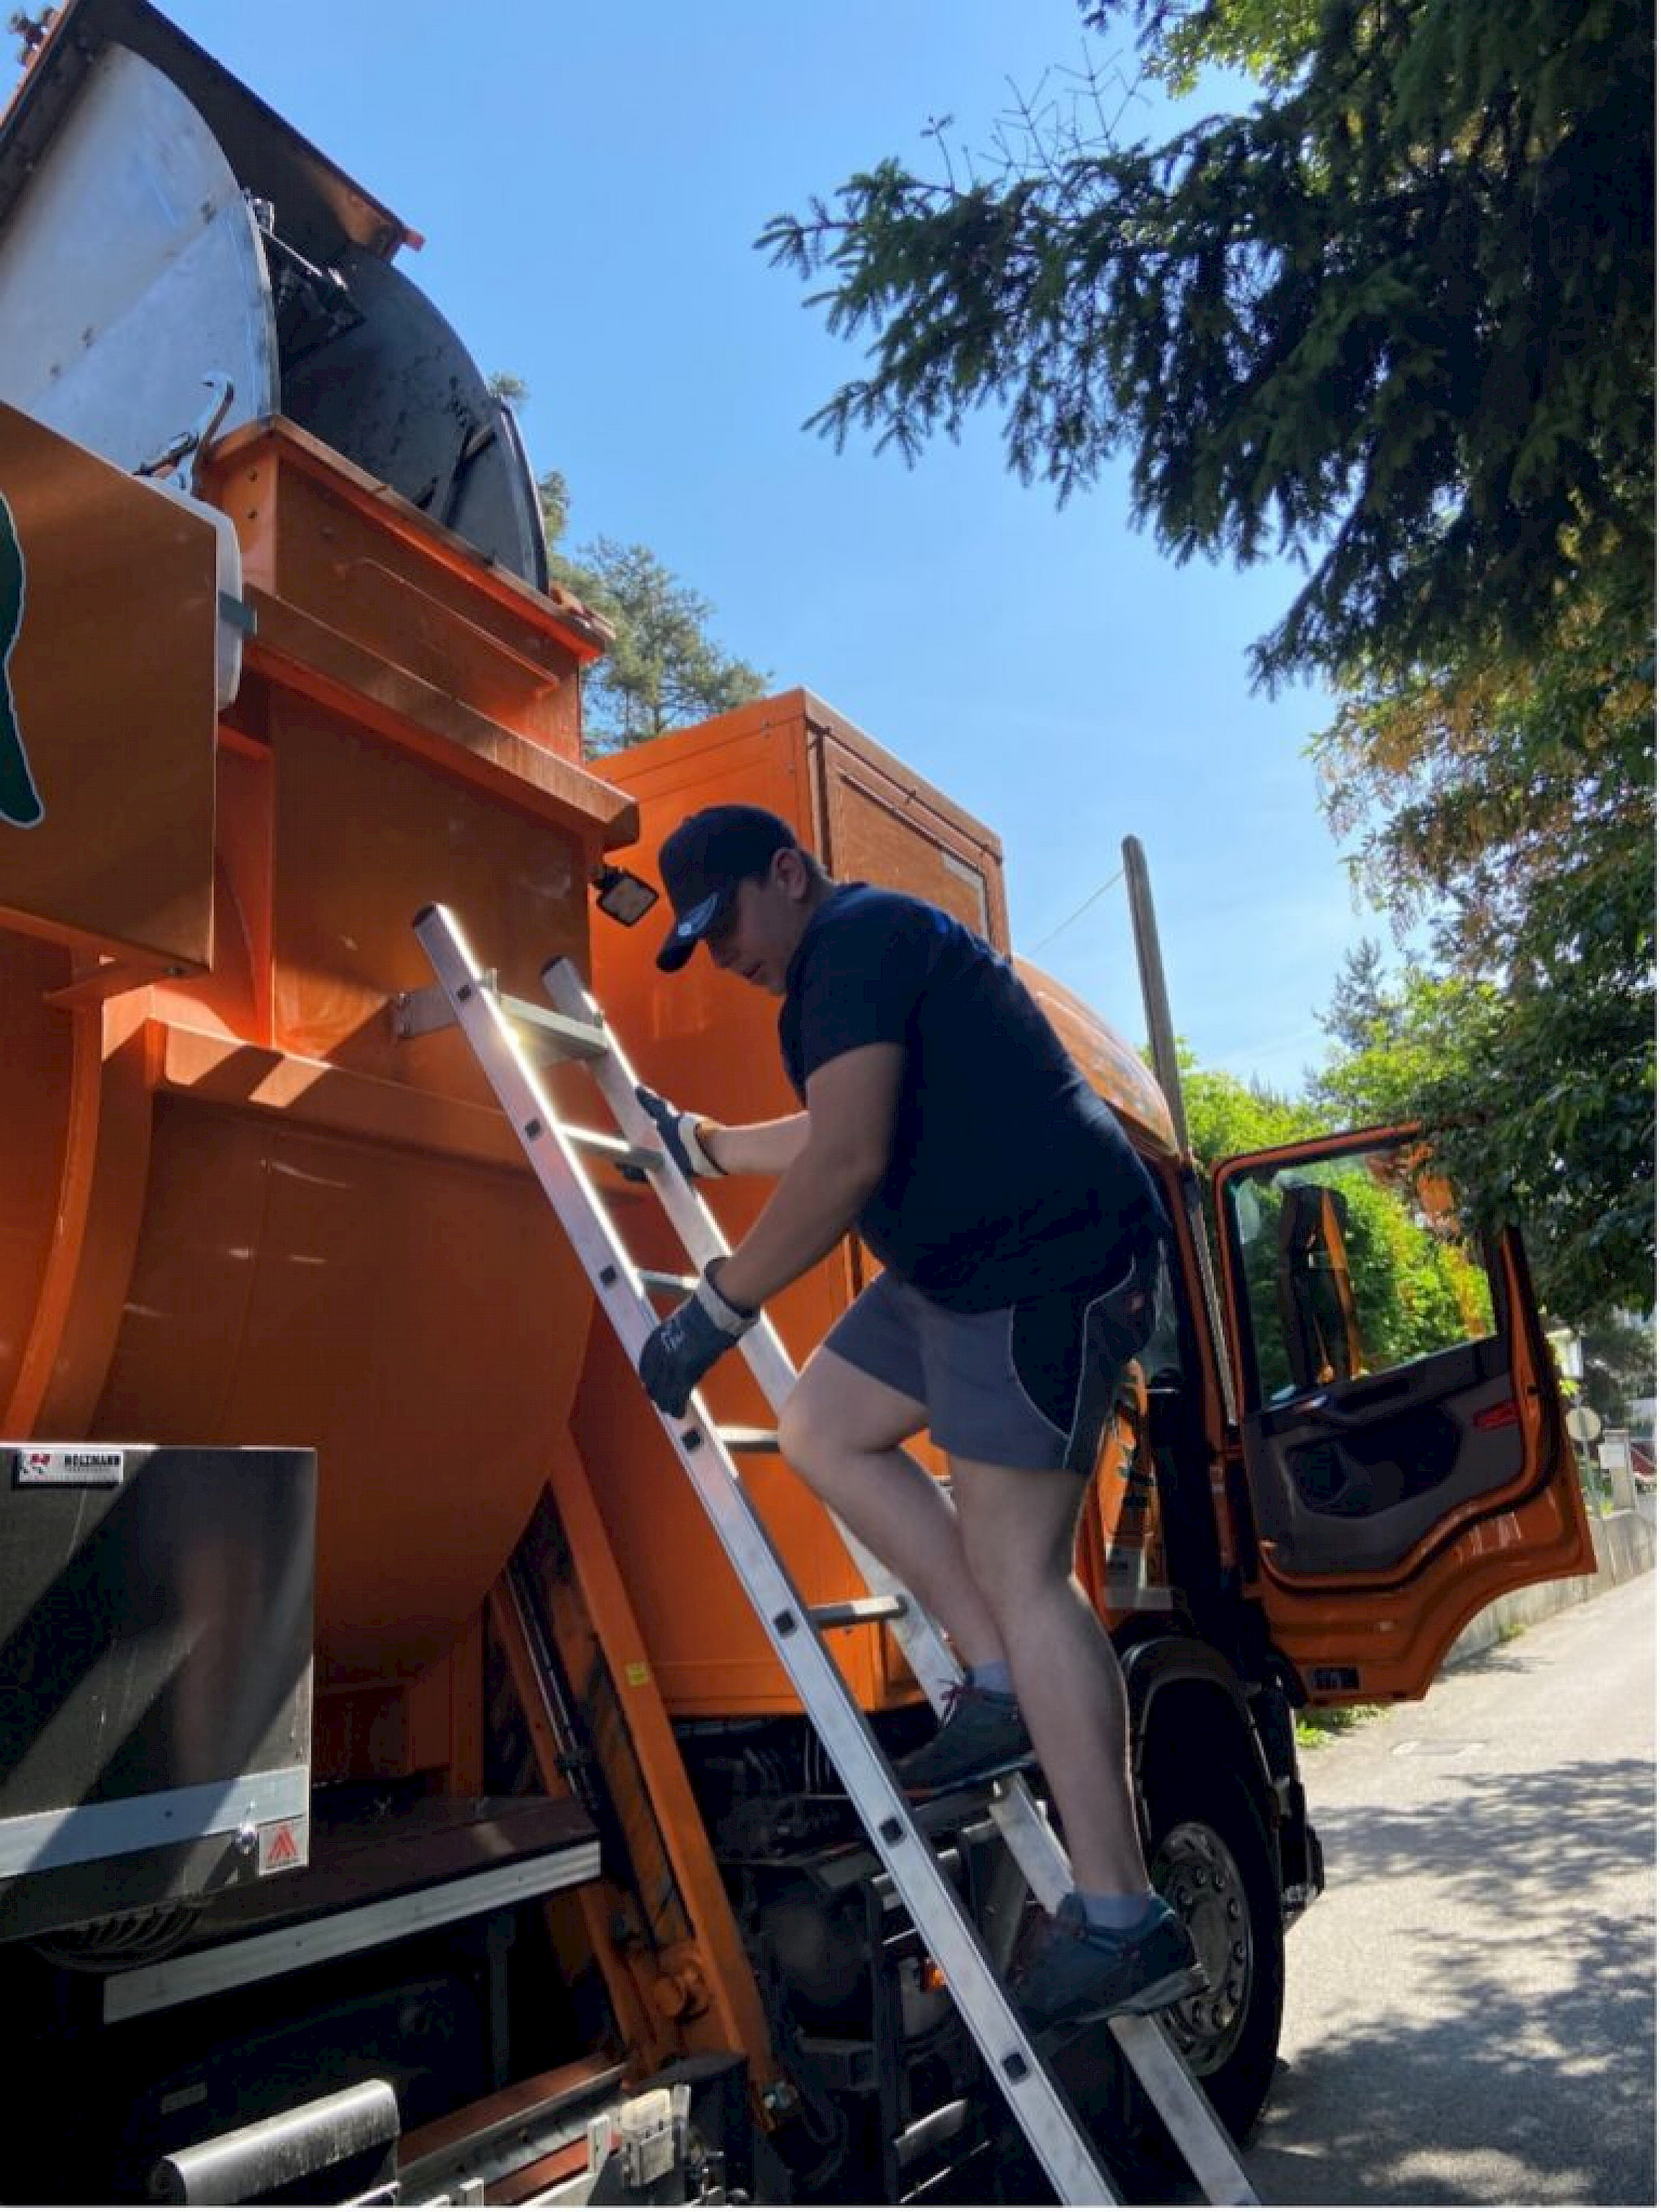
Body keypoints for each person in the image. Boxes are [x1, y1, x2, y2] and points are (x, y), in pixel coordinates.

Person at [635, 804, 1203, 2031]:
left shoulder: (861, 938)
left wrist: (717, 1310)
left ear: (787, 873)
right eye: (699, 940)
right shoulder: (834, 981)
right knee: (822, 1425)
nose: (723, 955)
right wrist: (705, 1144)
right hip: (956, 1269)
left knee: (1022, 1566)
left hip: (1048, 1260)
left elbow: (843, 1166)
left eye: (725, 920)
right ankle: (995, 1685)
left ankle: (1122, 1920)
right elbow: (835, 1125)